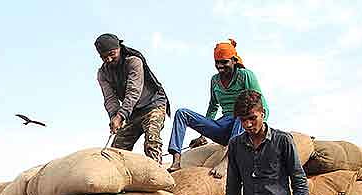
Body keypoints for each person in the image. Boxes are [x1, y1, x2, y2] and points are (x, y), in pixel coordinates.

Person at [224, 90, 309, 195]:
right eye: (243, 120)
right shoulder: (236, 145)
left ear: (263, 114)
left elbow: (298, 178)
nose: (248, 124)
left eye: (252, 118)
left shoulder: (282, 141)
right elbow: (233, 185)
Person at [167, 39, 267, 173]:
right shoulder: (215, 80)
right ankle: (177, 160)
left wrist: (259, 128)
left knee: (240, 114)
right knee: (182, 113)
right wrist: (203, 135)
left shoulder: (245, 75)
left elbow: (260, 105)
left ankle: (226, 161)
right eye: (217, 63)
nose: (220, 66)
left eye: (224, 62)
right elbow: (213, 106)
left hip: (243, 124)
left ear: (234, 61)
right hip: (224, 125)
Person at [95, 33, 170, 163]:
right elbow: (110, 98)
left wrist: (120, 116)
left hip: (153, 105)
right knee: (116, 151)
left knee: (152, 142)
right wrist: (114, 116)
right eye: (104, 57)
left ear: (119, 48)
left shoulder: (133, 61)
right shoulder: (103, 73)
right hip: (132, 113)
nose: (109, 59)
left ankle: (158, 176)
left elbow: (133, 91)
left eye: (112, 54)